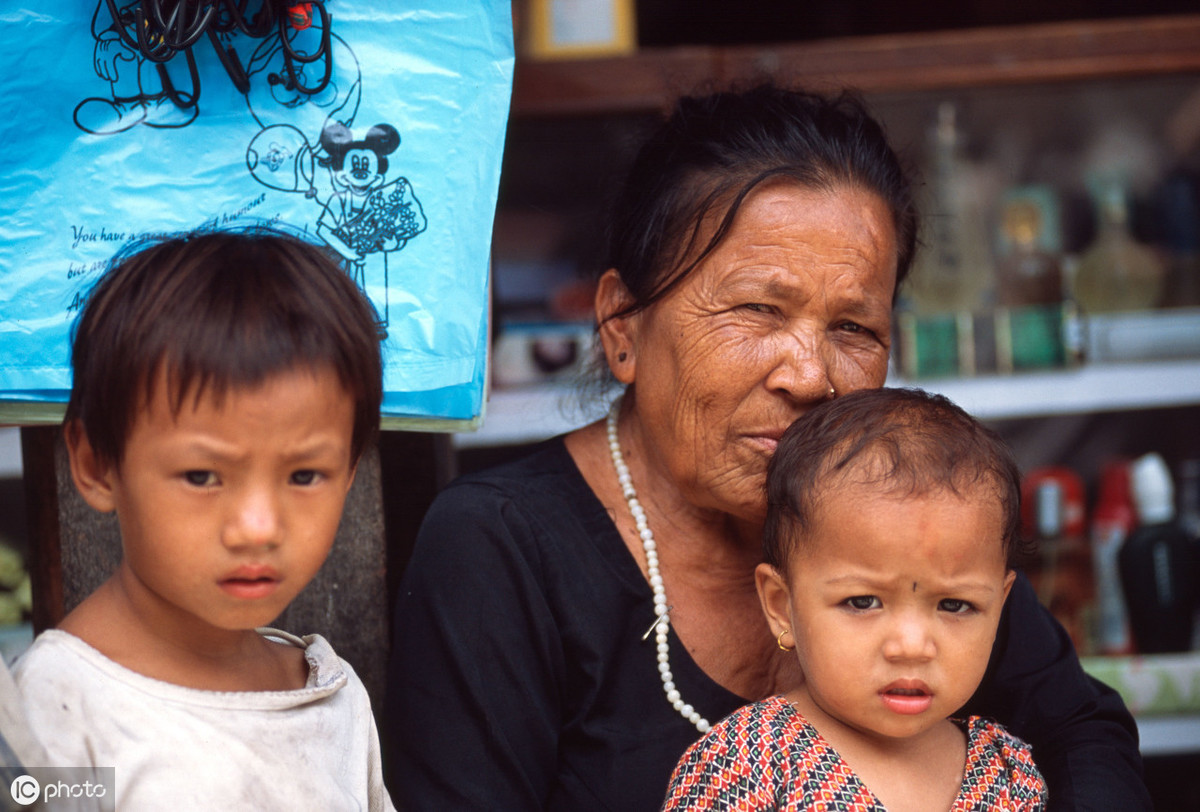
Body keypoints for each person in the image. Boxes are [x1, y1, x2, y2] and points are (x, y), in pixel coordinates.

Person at [385, 84, 1149, 810]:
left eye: (854, 328)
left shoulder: (908, 521)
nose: (811, 376)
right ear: (622, 326)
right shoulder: (500, 547)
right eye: (756, 309)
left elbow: (1084, 736)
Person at [13, 229, 395, 811]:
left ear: (348, 471)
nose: (257, 528)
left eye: (304, 475)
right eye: (201, 476)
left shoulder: (327, 690)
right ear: (96, 465)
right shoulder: (55, 712)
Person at [662, 387, 1047, 810]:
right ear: (780, 606)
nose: (911, 646)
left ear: (1001, 605)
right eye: (863, 602)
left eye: (955, 605)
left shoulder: (1009, 770)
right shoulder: (746, 763)